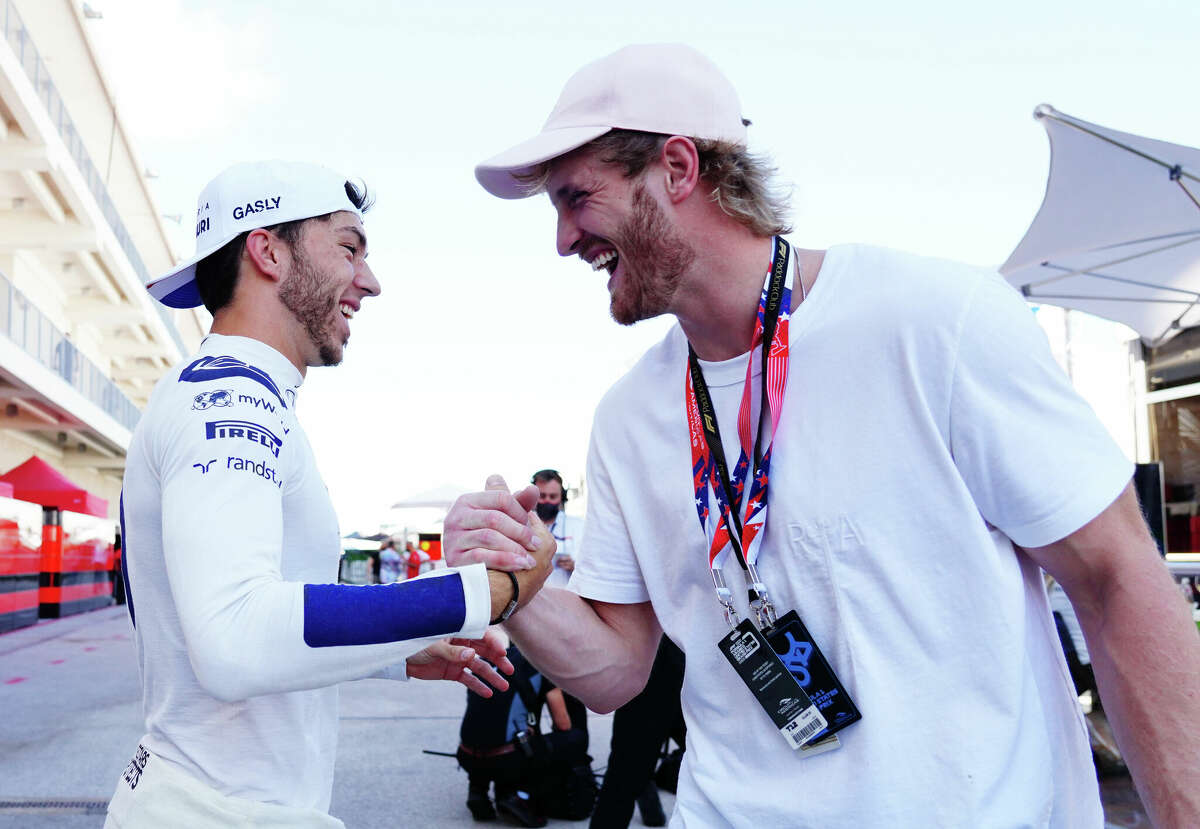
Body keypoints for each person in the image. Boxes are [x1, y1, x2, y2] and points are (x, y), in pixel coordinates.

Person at [458, 44, 1200, 827]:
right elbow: (614, 671)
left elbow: (1117, 580)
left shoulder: (934, 322)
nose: (564, 239)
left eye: (577, 198)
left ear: (676, 168)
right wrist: (521, 585)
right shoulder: (628, 417)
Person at [107, 160, 555, 829]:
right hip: (218, 810)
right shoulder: (228, 400)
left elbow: (246, 623)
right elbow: (233, 639)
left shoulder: (232, 395)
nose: (369, 282)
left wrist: (400, 652)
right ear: (268, 251)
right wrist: (485, 592)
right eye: (349, 248)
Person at [457, 644, 590, 826]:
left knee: (488, 732)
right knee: (575, 738)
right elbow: (563, 724)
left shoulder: (491, 656)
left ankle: (478, 791)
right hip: (506, 760)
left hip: (466, 756)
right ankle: (518, 795)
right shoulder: (544, 663)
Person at [531, 469, 585, 589]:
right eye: (542, 496)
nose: (547, 501)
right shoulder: (523, 523)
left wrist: (575, 566)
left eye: (553, 496)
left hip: (565, 598)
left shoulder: (578, 526)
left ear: (562, 497)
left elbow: (592, 568)